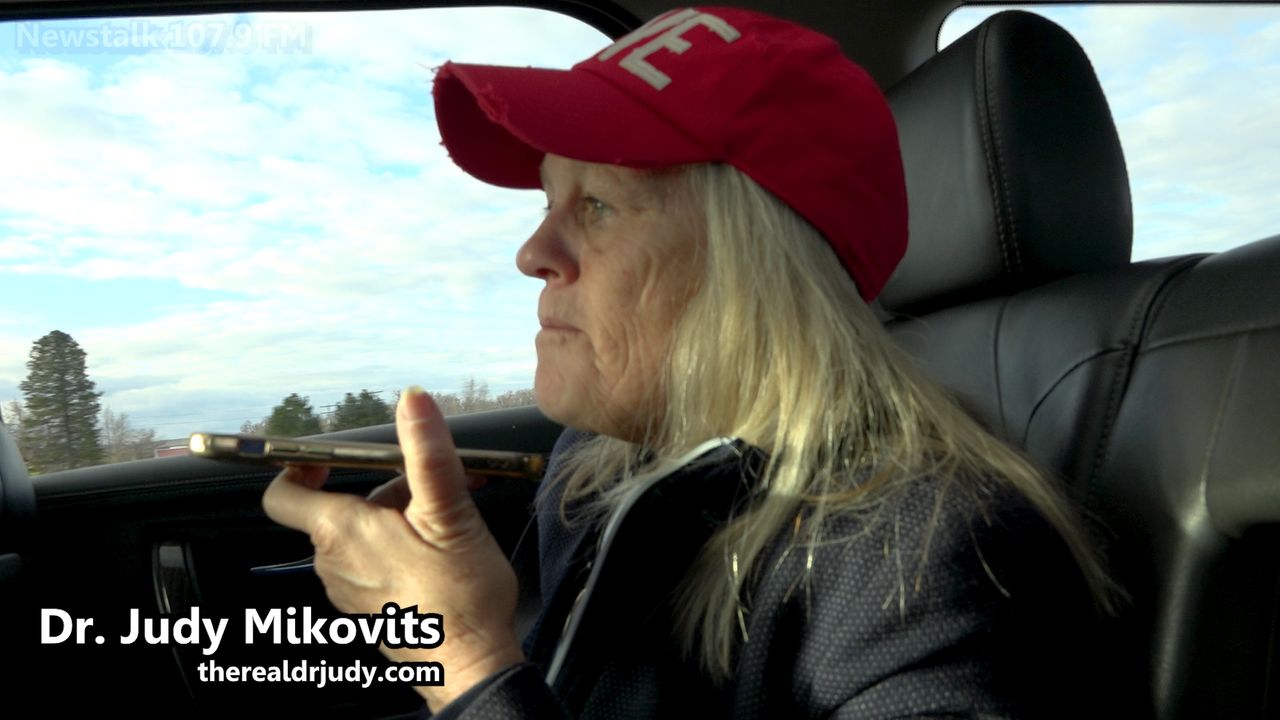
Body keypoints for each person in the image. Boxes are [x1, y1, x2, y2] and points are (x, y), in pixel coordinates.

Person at [263, 6, 1115, 718]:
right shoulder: (599, 466)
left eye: (598, 205)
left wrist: (466, 660)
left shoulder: (926, 559)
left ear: (756, 266)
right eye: (549, 200)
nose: (532, 252)